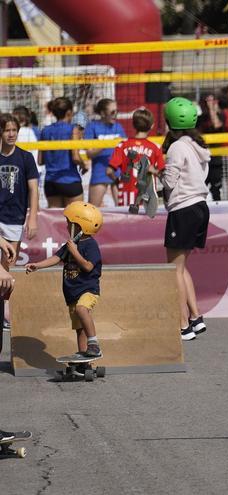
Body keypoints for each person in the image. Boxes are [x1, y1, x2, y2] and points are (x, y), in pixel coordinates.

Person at [26, 201, 106, 369]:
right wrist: (37, 266)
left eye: (70, 222)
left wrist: (75, 251)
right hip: (72, 293)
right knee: (79, 328)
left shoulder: (90, 245)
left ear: (79, 225)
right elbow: (56, 258)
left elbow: (88, 266)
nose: (67, 224)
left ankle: (94, 344)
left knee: (82, 310)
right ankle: (85, 360)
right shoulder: (70, 244)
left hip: (88, 290)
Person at [161, 97, 211, 341]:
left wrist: (155, 173)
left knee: (174, 270)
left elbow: (169, 182)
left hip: (183, 208)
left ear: (169, 121)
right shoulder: (195, 144)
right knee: (181, 267)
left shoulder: (176, 148)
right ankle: (195, 317)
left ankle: (183, 325)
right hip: (200, 206)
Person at [0, 113, 39, 278]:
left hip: (15, 217)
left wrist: (32, 218)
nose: (11, 134)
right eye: (7, 130)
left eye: (14, 130)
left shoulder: (25, 157)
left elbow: (33, 189)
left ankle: (5, 302)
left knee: (8, 265)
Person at [107, 108, 165, 209]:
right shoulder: (155, 147)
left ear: (133, 125)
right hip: (147, 198)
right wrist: (153, 170)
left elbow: (109, 171)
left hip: (126, 197)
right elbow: (163, 175)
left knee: (126, 224)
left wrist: (118, 181)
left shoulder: (122, 145)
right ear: (152, 126)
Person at [40, 97, 86, 207]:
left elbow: (40, 161)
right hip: (69, 181)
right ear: (69, 113)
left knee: (55, 222)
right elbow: (75, 157)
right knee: (76, 220)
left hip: (51, 182)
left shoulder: (45, 130)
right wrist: (84, 165)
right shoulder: (73, 129)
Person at [84, 98, 126, 207]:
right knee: (92, 210)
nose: (115, 114)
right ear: (102, 113)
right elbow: (89, 154)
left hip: (117, 172)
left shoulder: (118, 126)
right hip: (100, 172)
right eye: (112, 112)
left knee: (123, 210)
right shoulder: (92, 127)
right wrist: (106, 144)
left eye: (117, 111)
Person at [197, 94, 225, 201]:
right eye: (206, 102)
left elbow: (216, 125)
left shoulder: (220, 116)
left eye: (211, 102)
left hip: (215, 159)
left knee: (216, 190)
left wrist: (211, 108)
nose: (208, 105)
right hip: (202, 160)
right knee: (200, 190)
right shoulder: (199, 119)